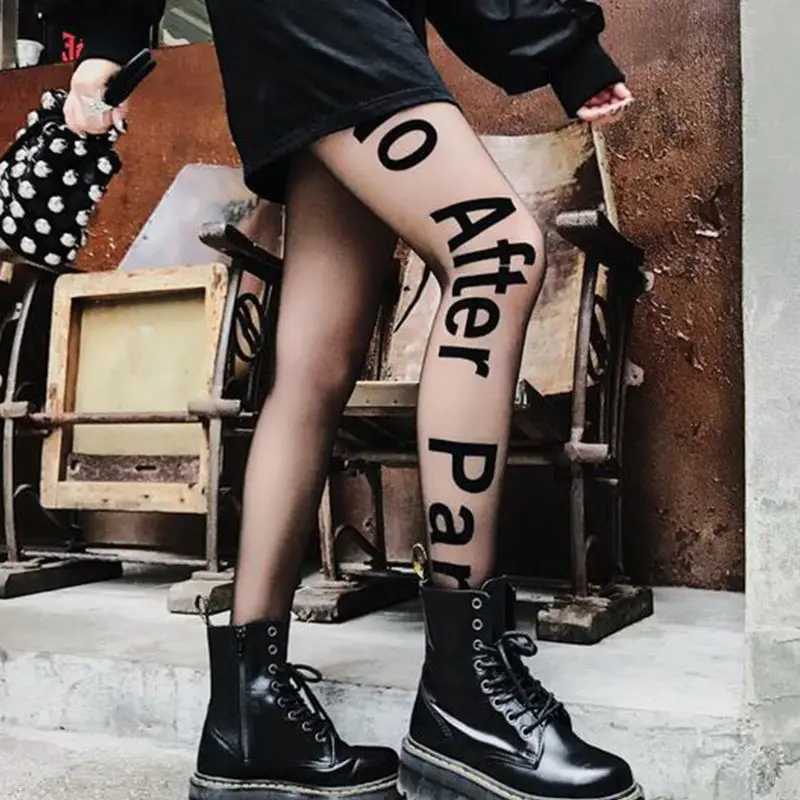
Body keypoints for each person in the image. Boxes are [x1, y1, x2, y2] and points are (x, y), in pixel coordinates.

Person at [56, 2, 642, 800]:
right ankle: (466, 691)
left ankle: (250, 719)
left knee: (316, 362)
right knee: (495, 252)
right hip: (329, 20)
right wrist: (560, 45)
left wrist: (110, 40)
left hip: (299, 33)